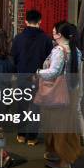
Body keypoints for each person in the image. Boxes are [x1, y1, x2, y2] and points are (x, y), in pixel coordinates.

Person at [38, 21, 84, 168]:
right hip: (71, 92)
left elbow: (54, 72)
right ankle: (57, 154)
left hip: (58, 93)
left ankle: (65, 161)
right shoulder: (76, 50)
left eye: (54, 30)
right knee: (65, 126)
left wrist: (38, 72)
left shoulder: (59, 50)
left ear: (59, 34)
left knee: (57, 126)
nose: (52, 32)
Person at [11, 10, 53, 146]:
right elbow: (49, 60)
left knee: (22, 106)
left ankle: (21, 135)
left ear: (26, 21)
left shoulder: (18, 38)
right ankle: (32, 138)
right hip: (39, 77)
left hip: (22, 76)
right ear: (40, 21)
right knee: (36, 107)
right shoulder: (46, 39)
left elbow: (14, 58)